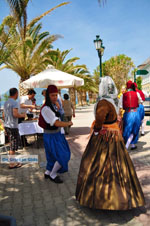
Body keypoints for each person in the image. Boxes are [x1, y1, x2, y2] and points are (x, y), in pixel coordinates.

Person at [75, 76, 145, 210]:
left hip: (105, 136)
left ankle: (105, 200)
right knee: (119, 165)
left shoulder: (103, 103)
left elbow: (100, 121)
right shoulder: (114, 100)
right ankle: (124, 197)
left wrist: (95, 131)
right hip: (115, 135)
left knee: (98, 165)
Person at [38, 85, 73, 183]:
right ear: (47, 96)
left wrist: (58, 108)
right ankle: (53, 174)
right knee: (64, 155)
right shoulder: (45, 108)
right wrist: (68, 123)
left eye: (56, 95)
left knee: (52, 156)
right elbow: (56, 122)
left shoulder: (53, 105)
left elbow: (58, 115)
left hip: (56, 134)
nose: (55, 97)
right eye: (52, 95)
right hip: (51, 136)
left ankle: (48, 172)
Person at [3, 88, 26, 169]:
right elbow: (15, 114)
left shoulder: (6, 102)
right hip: (12, 126)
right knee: (13, 145)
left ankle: (13, 161)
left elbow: (3, 115)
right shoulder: (14, 103)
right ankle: (12, 164)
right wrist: (23, 115)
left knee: (11, 143)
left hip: (7, 125)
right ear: (16, 93)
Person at [120, 80, 142, 150]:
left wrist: (119, 115)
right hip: (135, 113)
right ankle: (127, 146)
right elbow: (141, 101)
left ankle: (131, 145)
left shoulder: (123, 95)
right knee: (135, 129)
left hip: (127, 114)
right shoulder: (137, 94)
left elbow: (120, 106)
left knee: (127, 129)